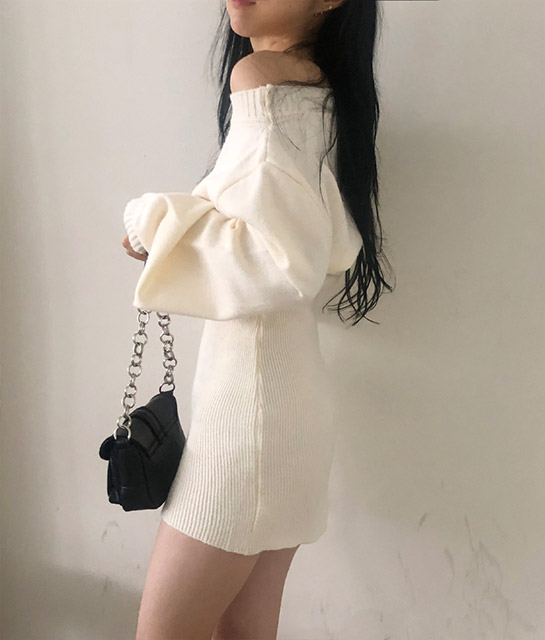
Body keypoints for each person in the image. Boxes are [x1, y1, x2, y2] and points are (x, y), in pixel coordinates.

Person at [121, 0, 393, 638]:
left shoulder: (262, 79)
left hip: (248, 421)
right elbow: (309, 242)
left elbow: (278, 259)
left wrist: (150, 222)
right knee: (244, 630)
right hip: (282, 412)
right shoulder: (322, 93)